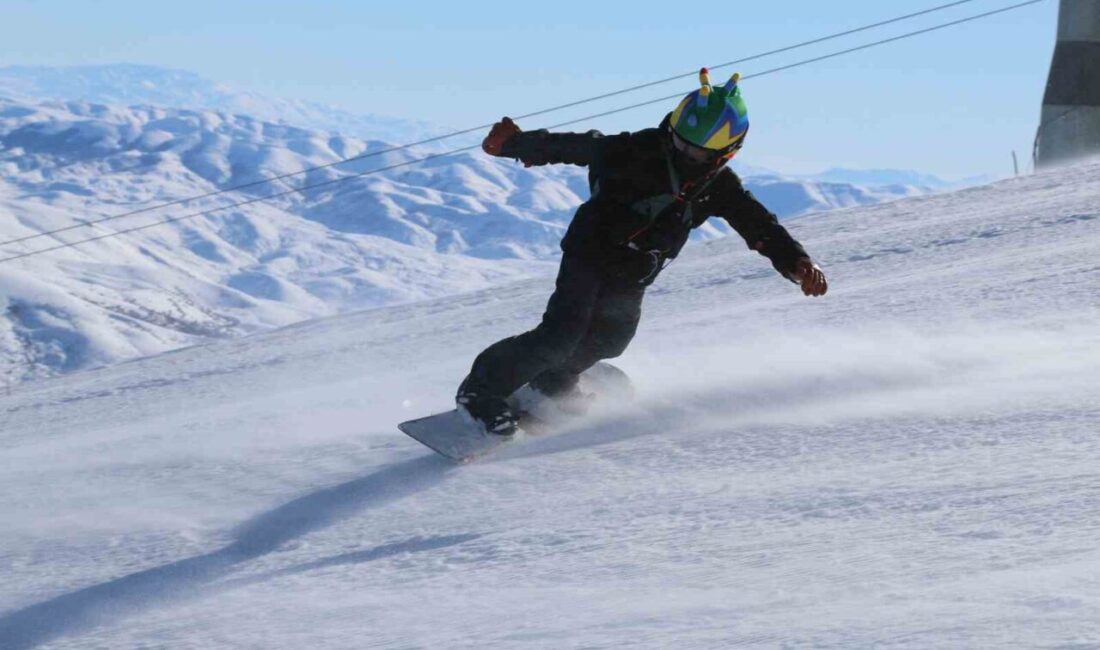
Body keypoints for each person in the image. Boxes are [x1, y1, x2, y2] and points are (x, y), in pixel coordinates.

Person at [456, 68, 828, 435]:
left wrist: (797, 262)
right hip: (590, 250)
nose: (684, 152)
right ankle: (481, 392)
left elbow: (759, 225)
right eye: (680, 141)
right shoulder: (637, 149)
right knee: (561, 334)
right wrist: (515, 144)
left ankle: (551, 384)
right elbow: (582, 146)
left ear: (725, 154)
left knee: (611, 339)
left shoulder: (720, 186)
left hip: (634, 271)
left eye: (697, 151)